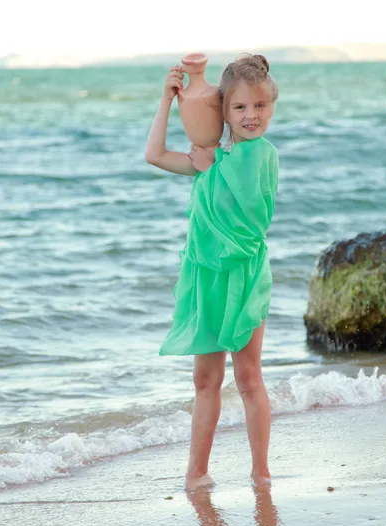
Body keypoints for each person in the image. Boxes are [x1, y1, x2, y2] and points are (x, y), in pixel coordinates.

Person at [145, 54, 279, 491]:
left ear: (270, 108)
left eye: (259, 106)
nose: (250, 116)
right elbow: (155, 155)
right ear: (223, 111)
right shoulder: (210, 160)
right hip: (206, 279)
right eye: (239, 107)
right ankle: (196, 473)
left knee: (247, 375)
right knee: (205, 379)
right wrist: (166, 101)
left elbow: (253, 217)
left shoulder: (262, 155)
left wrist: (212, 170)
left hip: (244, 274)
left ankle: (260, 473)